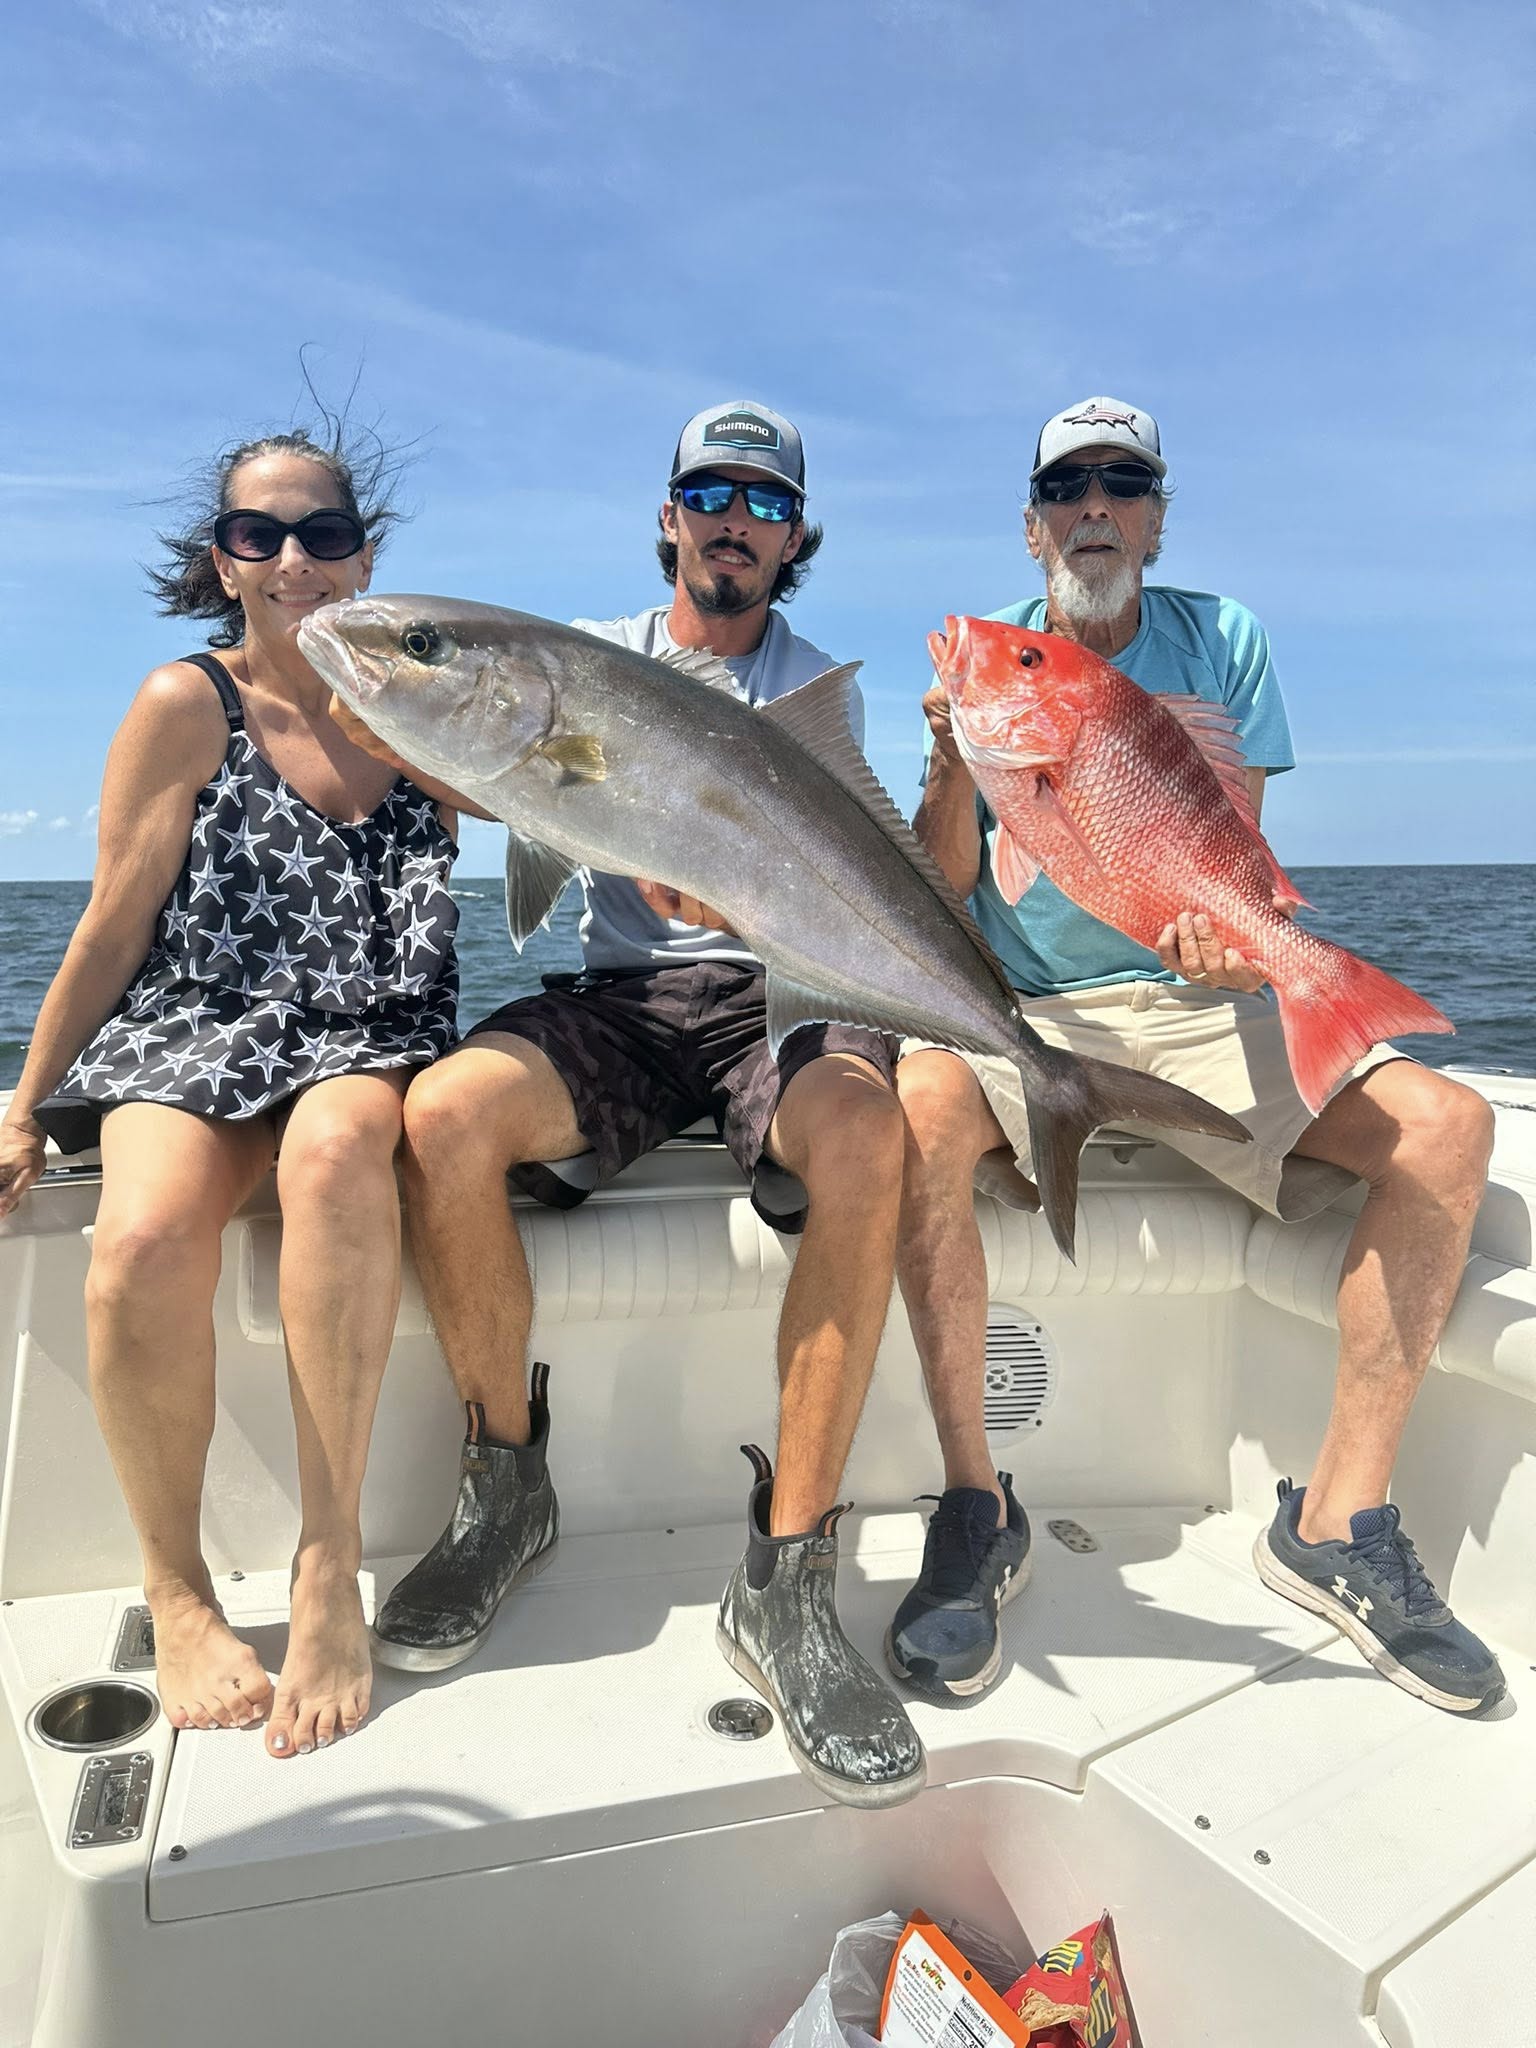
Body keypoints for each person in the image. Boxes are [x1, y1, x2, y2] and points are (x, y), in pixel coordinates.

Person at [890, 395, 1502, 1715]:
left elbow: (1225, 856)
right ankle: (975, 1505)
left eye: (1122, 483)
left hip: (1196, 996)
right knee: (915, 1104)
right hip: (1031, 1015)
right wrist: (955, 766)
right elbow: (946, 894)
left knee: (1449, 1130)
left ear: (1158, 518)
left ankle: (1337, 1522)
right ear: (1034, 520)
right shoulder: (997, 671)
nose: (1093, 507)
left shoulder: (1225, 639)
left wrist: (1243, 949)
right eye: (1067, 487)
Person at [350, 401, 925, 1807]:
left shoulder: (816, 694)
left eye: (767, 504)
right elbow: (497, 758)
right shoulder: (587, 661)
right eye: (710, 493)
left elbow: (863, 884)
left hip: (780, 985)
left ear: (794, 538)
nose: (736, 520)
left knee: (865, 1135)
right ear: (669, 515)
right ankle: (505, 1486)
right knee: (443, 1120)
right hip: (627, 1000)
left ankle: (786, 1577)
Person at [0, 425, 460, 1759]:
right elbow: (113, 918)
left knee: (335, 1160)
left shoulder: (424, 702)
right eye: (261, 534)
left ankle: (328, 1565)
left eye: (322, 532)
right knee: (137, 1238)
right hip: (198, 1024)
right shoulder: (182, 704)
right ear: (225, 561)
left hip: (368, 1027)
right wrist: (25, 1100)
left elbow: (576, 801)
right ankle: (177, 1584)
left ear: (363, 553)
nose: (295, 559)